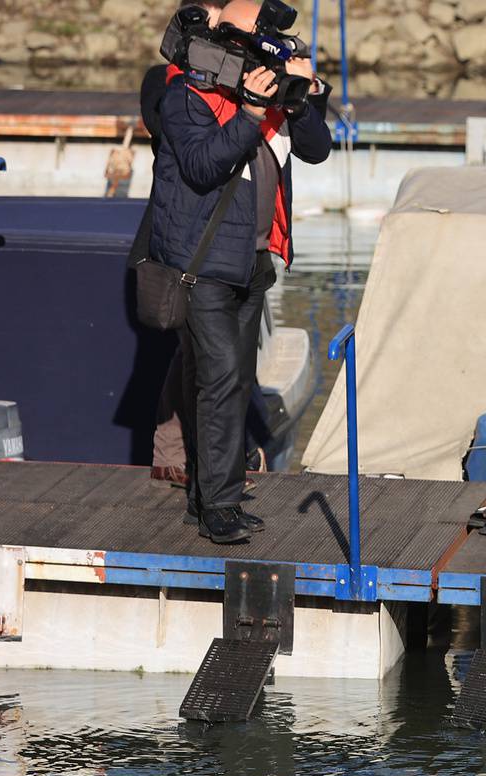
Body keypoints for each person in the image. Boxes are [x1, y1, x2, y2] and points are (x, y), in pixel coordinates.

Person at [149, 0, 329, 544]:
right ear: (229, 37)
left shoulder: (270, 93)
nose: (270, 42)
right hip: (201, 263)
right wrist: (250, 113)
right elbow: (204, 167)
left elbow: (317, 150)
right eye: (259, 32)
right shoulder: (186, 94)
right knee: (221, 374)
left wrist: (299, 99)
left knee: (231, 376)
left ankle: (208, 494)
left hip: (252, 260)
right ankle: (219, 505)